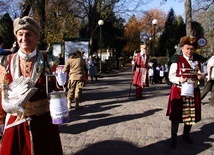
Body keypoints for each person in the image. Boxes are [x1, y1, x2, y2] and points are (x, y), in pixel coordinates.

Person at [0, 16, 63, 154]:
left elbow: (56, 89)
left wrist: (62, 85)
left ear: (36, 37)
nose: (24, 38)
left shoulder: (50, 61)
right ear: (16, 37)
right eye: (20, 34)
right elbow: (1, 92)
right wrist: (0, 120)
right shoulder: (6, 62)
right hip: (15, 122)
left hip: (43, 122)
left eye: (28, 34)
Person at [166, 36, 204, 148]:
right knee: (176, 115)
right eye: (187, 48)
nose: (189, 51)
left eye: (191, 49)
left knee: (190, 114)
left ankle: (186, 135)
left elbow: (199, 72)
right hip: (179, 91)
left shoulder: (197, 60)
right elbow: (171, 76)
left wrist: (200, 76)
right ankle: (173, 138)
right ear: (182, 48)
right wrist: (179, 79)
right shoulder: (176, 60)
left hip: (193, 90)